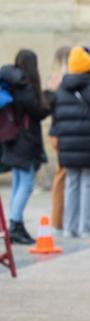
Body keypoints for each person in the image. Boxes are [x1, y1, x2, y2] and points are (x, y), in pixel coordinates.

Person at [48, 47, 90, 238]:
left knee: (71, 183)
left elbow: (56, 117)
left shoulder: (61, 91)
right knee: (88, 184)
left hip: (68, 146)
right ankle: (85, 226)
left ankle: (70, 227)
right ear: (88, 68)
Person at [1, 50, 49, 245]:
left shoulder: (11, 84)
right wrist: (49, 98)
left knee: (18, 183)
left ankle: (16, 223)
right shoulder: (25, 87)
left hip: (12, 139)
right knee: (26, 183)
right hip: (25, 141)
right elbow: (37, 111)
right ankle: (15, 224)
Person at [46, 46, 70, 233]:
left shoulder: (53, 78)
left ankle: (60, 221)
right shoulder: (65, 78)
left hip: (58, 131)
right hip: (64, 132)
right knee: (63, 177)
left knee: (64, 177)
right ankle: (57, 222)